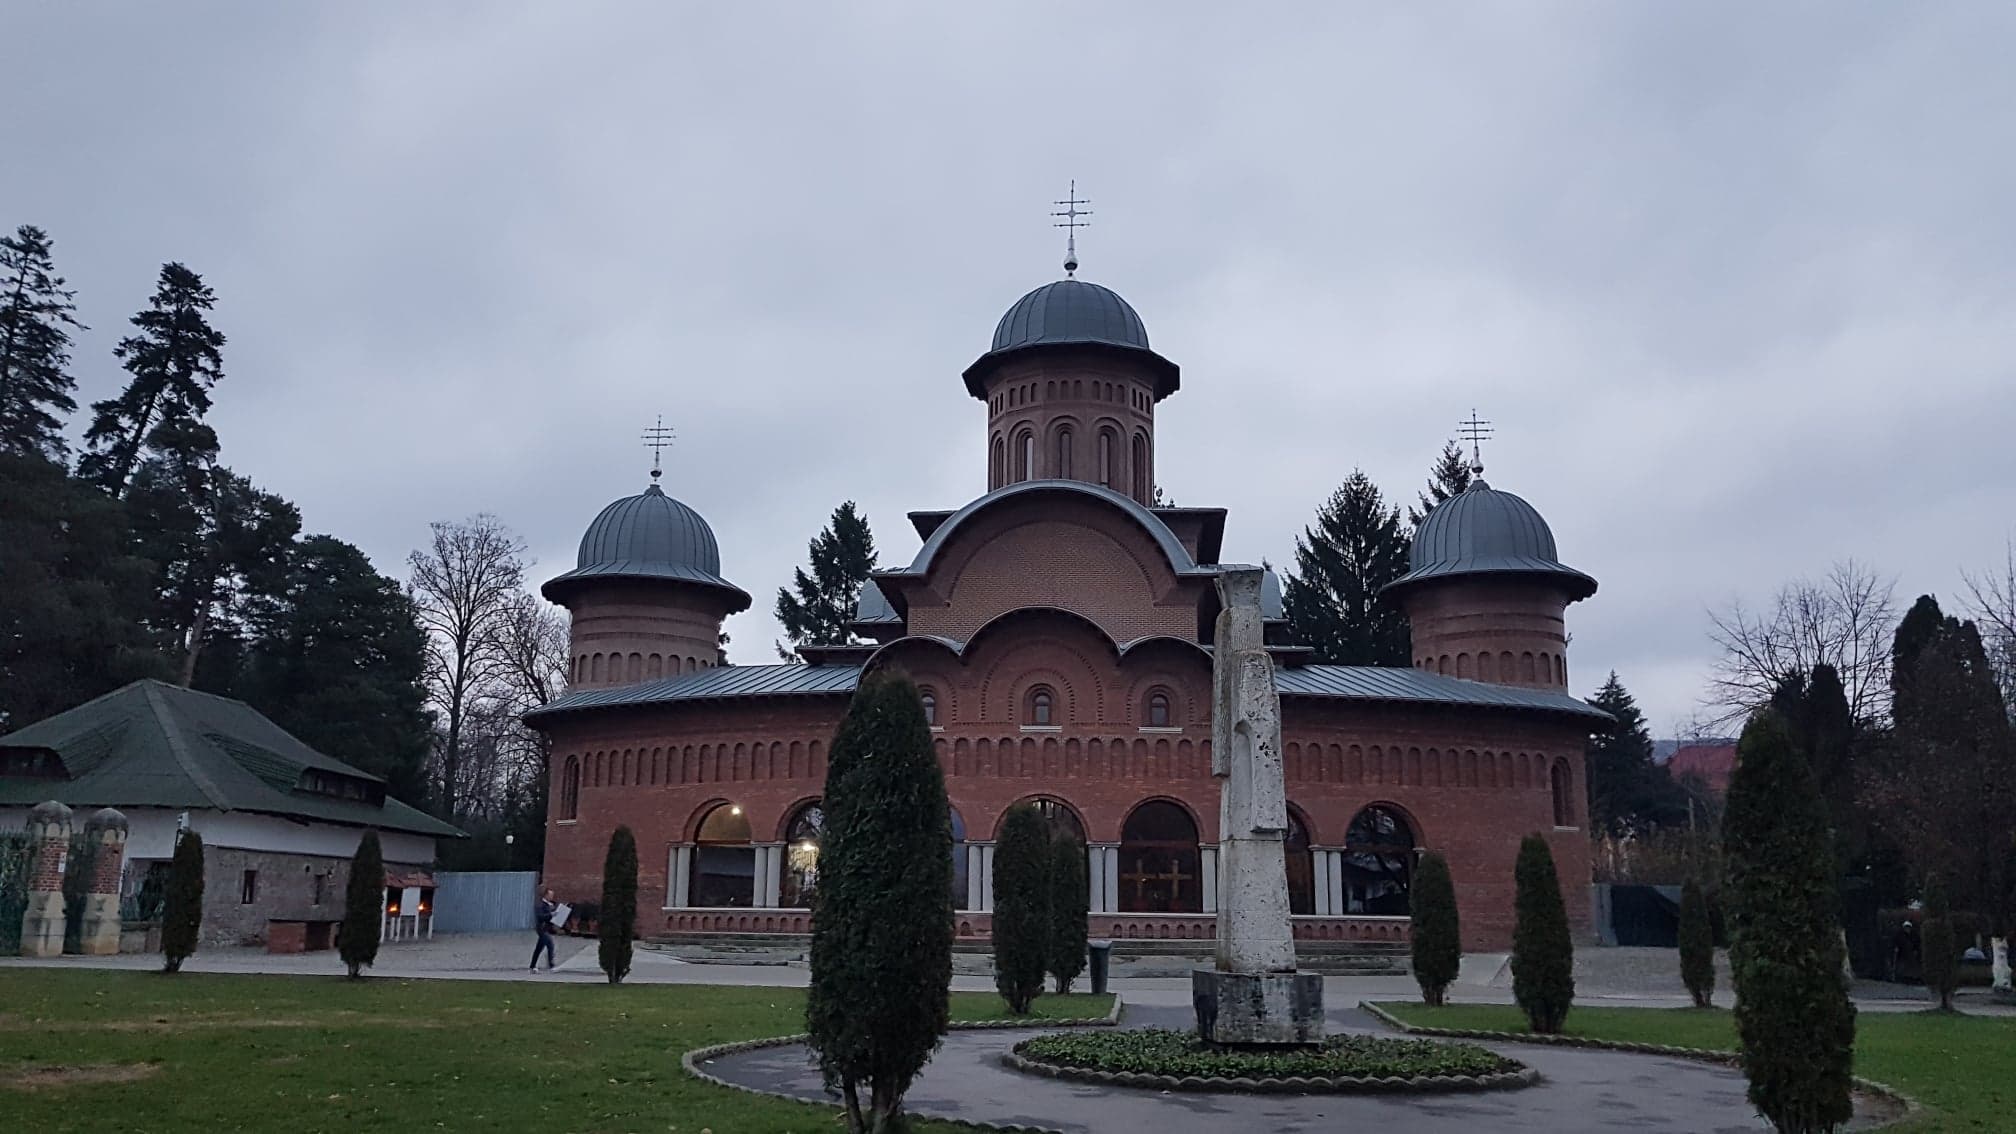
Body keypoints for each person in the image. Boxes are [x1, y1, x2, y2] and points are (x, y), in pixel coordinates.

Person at [530, 888, 558, 972]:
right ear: (546, 895)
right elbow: (540, 916)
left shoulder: (550, 905)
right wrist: (551, 914)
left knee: (539, 948)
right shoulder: (540, 905)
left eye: (552, 895)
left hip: (546, 928)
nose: (552, 897)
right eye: (550, 895)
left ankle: (532, 966)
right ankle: (551, 965)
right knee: (550, 945)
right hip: (541, 928)